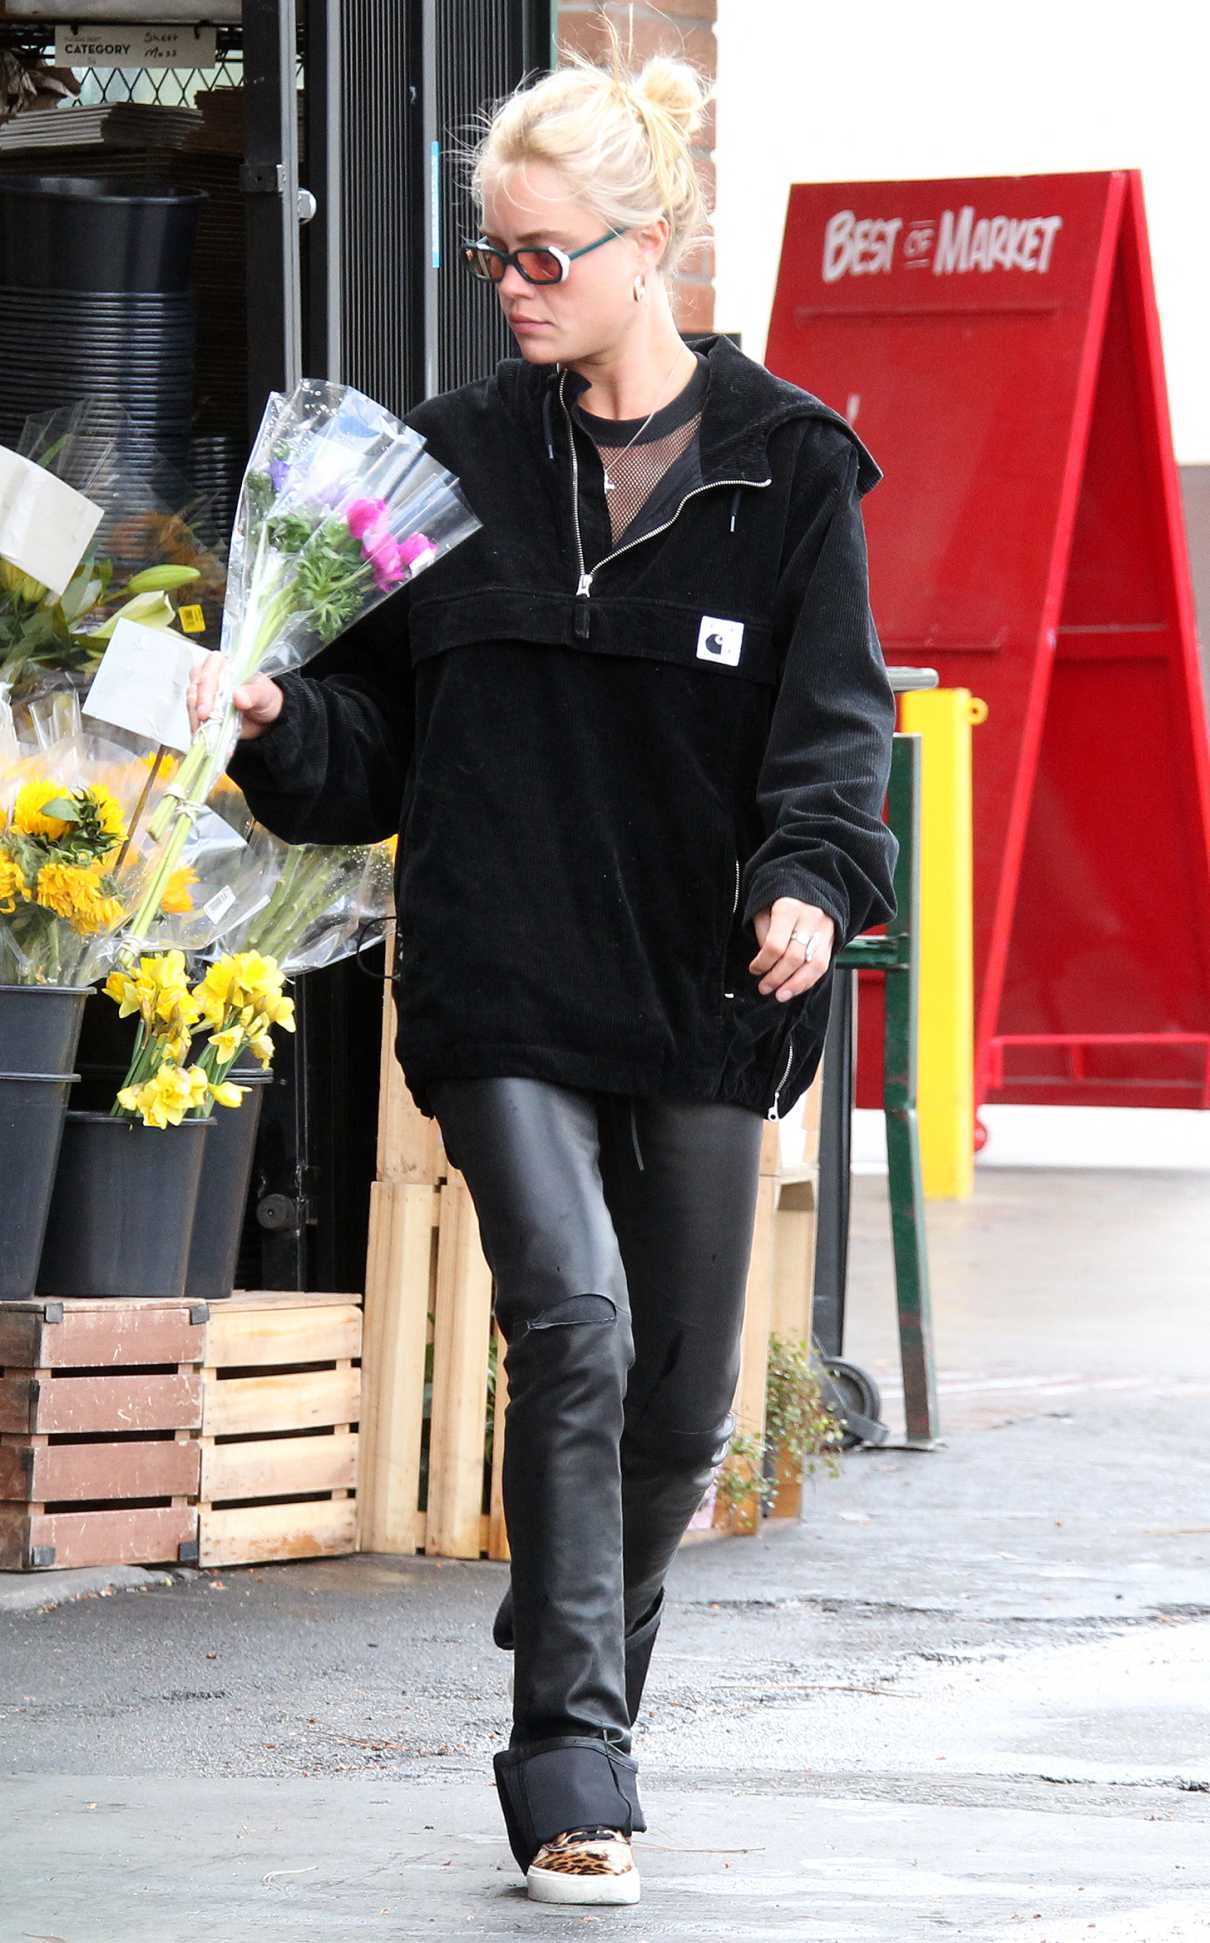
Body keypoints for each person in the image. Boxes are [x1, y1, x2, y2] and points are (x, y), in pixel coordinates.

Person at [188, 31, 898, 1909]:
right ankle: (574, 1765)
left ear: (646, 246)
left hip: (703, 989)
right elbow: (369, 748)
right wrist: (275, 717)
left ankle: (571, 1626)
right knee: (571, 1328)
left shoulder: (787, 467)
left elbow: (834, 734)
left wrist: (810, 881)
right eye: (492, 253)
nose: (510, 287)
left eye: (542, 254)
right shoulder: (448, 461)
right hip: (499, 976)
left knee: (679, 1407)